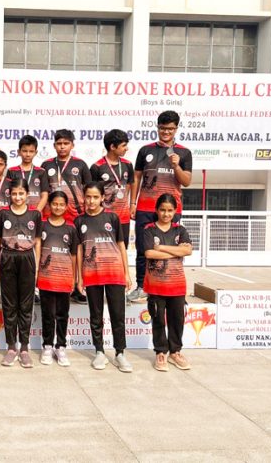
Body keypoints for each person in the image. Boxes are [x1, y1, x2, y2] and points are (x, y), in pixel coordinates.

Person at [129, 111, 192, 303]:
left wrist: (177, 167)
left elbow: (187, 181)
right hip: (145, 208)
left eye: (170, 129)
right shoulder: (145, 150)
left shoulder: (184, 153)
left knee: (172, 248)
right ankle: (142, 286)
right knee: (143, 248)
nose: (166, 132)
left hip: (170, 209)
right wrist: (133, 203)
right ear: (157, 127)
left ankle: (171, 286)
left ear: (176, 129)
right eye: (163, 128)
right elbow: (137, 177)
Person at [75, 182, 133, 373]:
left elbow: (121, 246)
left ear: (102, 198)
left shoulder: (112, 217)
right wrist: (79, 278)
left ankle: (120, 353)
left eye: (95, 197)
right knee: (96, 316)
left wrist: (127, 273)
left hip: (115, 273)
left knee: (118, 315)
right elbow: (80, 250)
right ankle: (99, 352)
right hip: (92, 274)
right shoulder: (79, 221)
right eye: (88, 197)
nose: (91, 201)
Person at [0, 177, 42, 368]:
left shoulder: (35, 215)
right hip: (8, 258)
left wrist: (36, 268)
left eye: (21, 193)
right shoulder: (2, 214)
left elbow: (37, 242)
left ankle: (25, 348)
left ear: (27, 195)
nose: (18, 197)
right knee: (10, 304)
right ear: (9, 195)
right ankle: (11, 347)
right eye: (14, 193)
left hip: (27, 258)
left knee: (26, 305)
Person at [143, 194, 193, 372]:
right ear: (156, 210)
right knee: (158, 320)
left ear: (175, 211)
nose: (166, 214)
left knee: (177, 320)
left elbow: (188, 251)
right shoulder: (149, 229)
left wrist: (163, 248)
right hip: (156, 286)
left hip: (177, 285)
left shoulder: (180, 230)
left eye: (170, 210)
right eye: (162, 210)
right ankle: (161, 352)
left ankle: (175, 352)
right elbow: (149, 254)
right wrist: (176, 252)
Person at [41, 129, 90, 305]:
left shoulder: (81, 165)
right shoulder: (46, 165)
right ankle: (48, 286)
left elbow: (87, 189)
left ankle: (77, 286)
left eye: (66, 143)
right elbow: (44, 192)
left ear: (72, 145)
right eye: (59, 144)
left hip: (75, 216)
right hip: (52, 217)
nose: (62, 147)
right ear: (54, 145)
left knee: (77, 253)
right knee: (53, 253)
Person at [37, 191, 77, 367]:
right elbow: (37, 250)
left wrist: (74, 278)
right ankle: (47, 346)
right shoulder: (43, 225)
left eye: (61, 204)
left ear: (66, 206)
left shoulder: (71, 228)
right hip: (46, 279)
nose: (58, 207)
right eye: (54, 204)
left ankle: (60, 346)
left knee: (62, 315)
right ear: (49, 205)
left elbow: (74, 256)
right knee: (48, 314)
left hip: (64, 278)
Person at [90, 129, 134, 248]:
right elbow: (92, 193)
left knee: (122, 248)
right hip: (104, 215)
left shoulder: (128, 164)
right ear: (113, 147)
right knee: (104, 248)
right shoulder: (97, 167)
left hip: (123, 216)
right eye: (124, 145)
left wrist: (131, 204)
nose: (127, 148)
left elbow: (130, 184)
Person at [7, 135, 48, 212]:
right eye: (25, 151)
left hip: (35, 213)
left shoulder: (41, 172)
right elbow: (9, 194)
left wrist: (36, 212)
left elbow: (44, 195)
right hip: (16, 213)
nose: (28, 154)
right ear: (19, 152)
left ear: (36, 152)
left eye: (31, 151)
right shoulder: (12, 171)